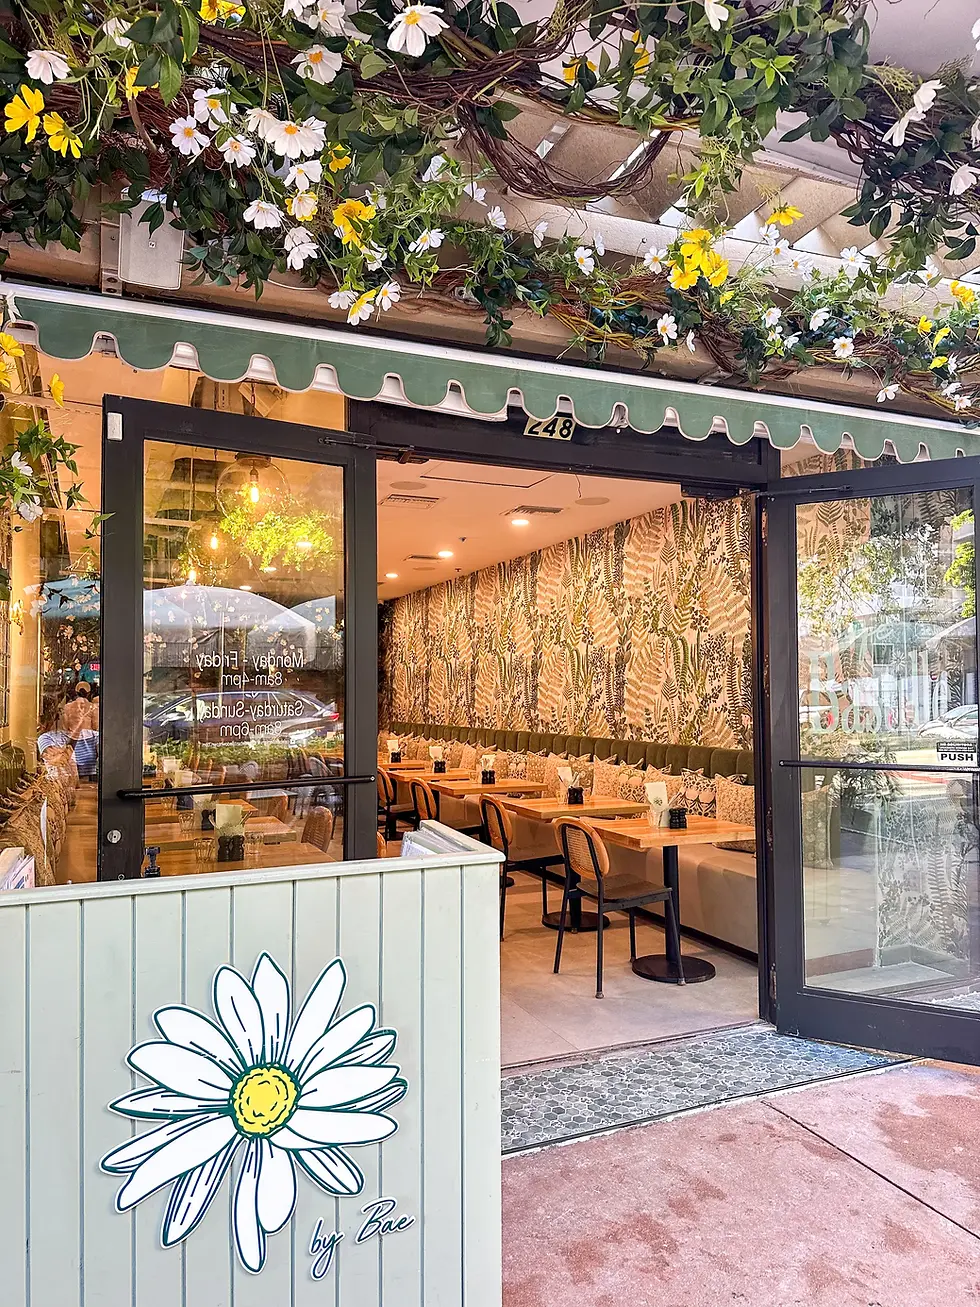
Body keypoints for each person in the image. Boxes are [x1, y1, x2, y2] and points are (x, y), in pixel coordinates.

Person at [60, 683, 98, 780]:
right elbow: (96, 726)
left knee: (73, 769)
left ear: (76, 692)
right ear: (89, 693)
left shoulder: (67, 707)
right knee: (87, 773)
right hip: (88, 742)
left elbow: (64, 726)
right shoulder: (92, 707)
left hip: (73, 740)